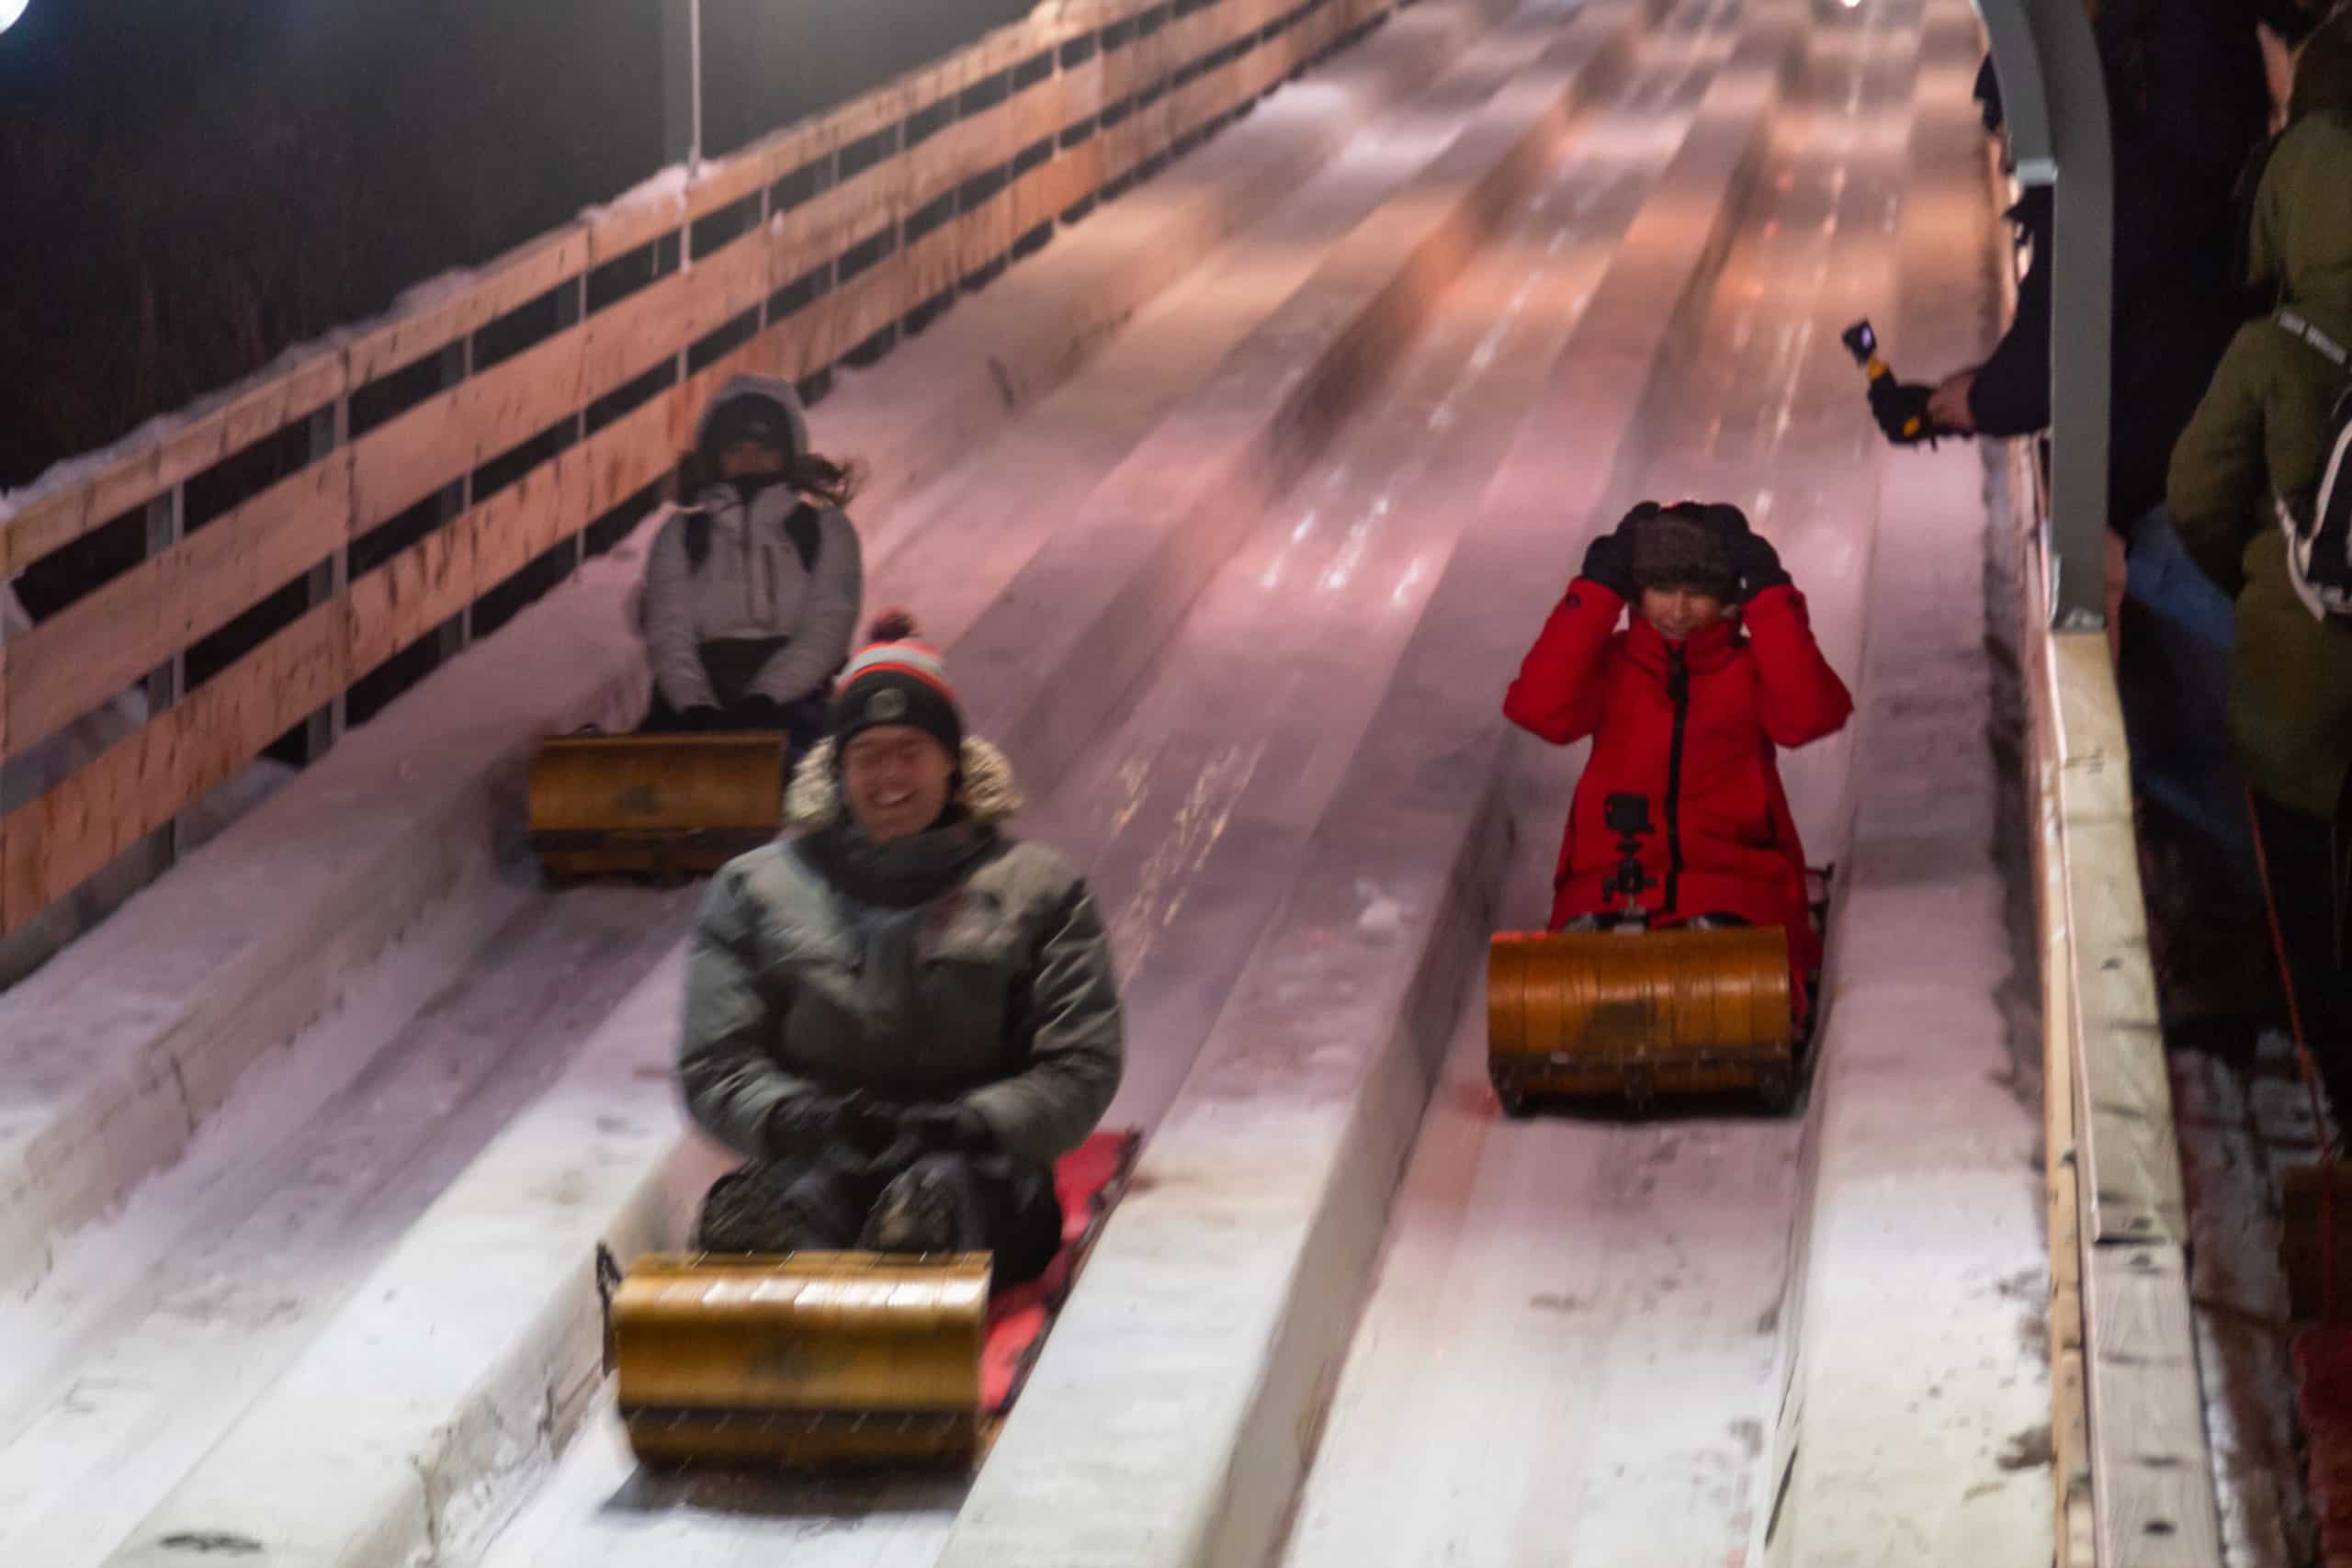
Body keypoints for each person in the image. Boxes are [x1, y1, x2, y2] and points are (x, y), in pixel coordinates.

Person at [675, 615, 1125, 1280]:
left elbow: (1080, 1063)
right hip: (818, 1152)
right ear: (837, 769)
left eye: (910, 749)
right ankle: (773, 1238)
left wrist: (973, 1122)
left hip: (980, 1164)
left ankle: (919, 1227)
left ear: (953, 762)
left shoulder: (1038, 890)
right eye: (868, 754)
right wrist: (795, 1116)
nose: (890, 775)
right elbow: (718, 1059)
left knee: (946, 1197)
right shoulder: (757, 890)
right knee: (799, 1198)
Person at [2165, 38, 2352, 1102]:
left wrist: (2264, 589)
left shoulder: (2271, 353)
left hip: (2301, 707)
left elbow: (2195, 503)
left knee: (2320, 942)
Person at [1502, 502, 1854, 1020]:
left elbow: (1809, 717)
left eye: (1699, 594)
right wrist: (1595, 588)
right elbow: (1540, 710)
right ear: (1637, 594)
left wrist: (1770, 592)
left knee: (1747, 976)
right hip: (1609, 881)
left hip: (1736, 878)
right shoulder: (1612, 665)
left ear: (1727, 601)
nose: (1679, 610)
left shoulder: (1748, 668)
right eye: (1664, 590)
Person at [637, 374, 865, 755]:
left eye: (765, 447)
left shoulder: (823, 531)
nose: (750, 460)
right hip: (696, 702)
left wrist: (765, 699)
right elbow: (668, 630)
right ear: (715, 456)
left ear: (787, 452)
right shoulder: (681, 535)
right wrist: (696, 705)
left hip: (798, 701)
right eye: (735, 448)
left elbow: (828, 628)